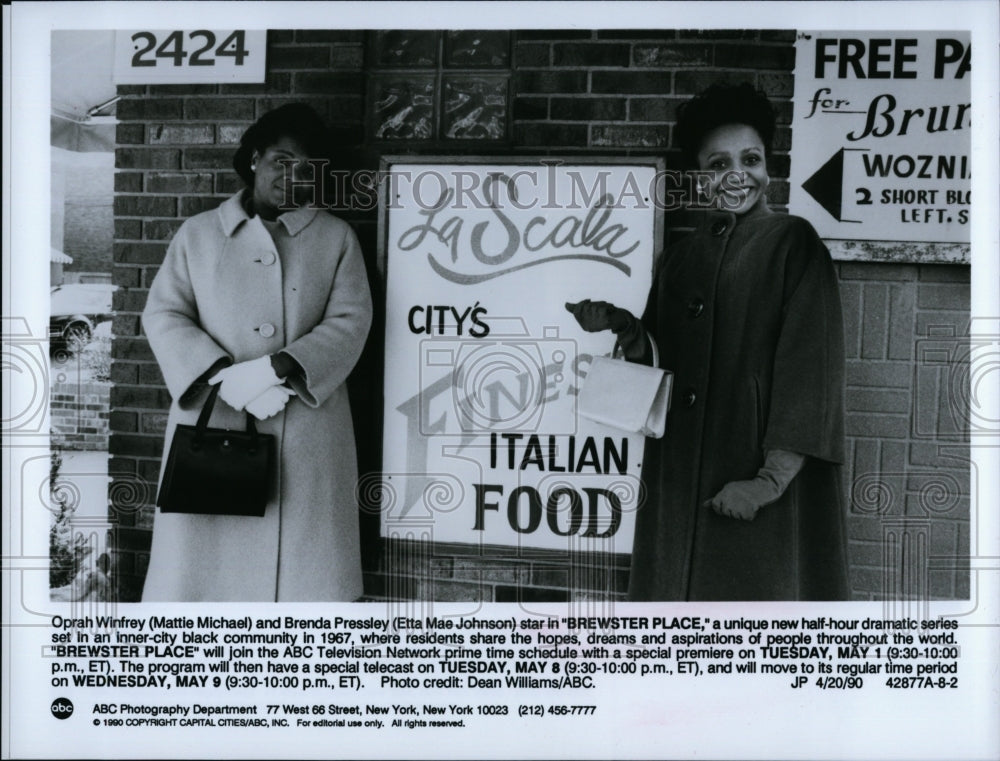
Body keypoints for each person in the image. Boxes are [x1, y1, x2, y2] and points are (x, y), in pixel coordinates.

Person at [566, 83, 848, 601]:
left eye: (751, 159)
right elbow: (658, 368)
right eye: (718, 164)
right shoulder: (679, 260)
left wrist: (768, 482)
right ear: (699, 176)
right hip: (678, 480)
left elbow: (811, 373)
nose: (737, 175)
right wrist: (626, 328)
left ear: (769, 167)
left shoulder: (793, 243)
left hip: (754, 481)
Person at [141, 104, 373, 601]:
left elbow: (352, 321)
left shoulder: (336, 238)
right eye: (282, 161)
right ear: (254, 159)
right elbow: (163, 314)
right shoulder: (198, 235)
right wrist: (226, 376)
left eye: (308, 169)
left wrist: (277, 368)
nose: (293, 177)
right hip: (215, 414)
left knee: (301, 592)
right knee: (205, 588)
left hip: (306, 428)